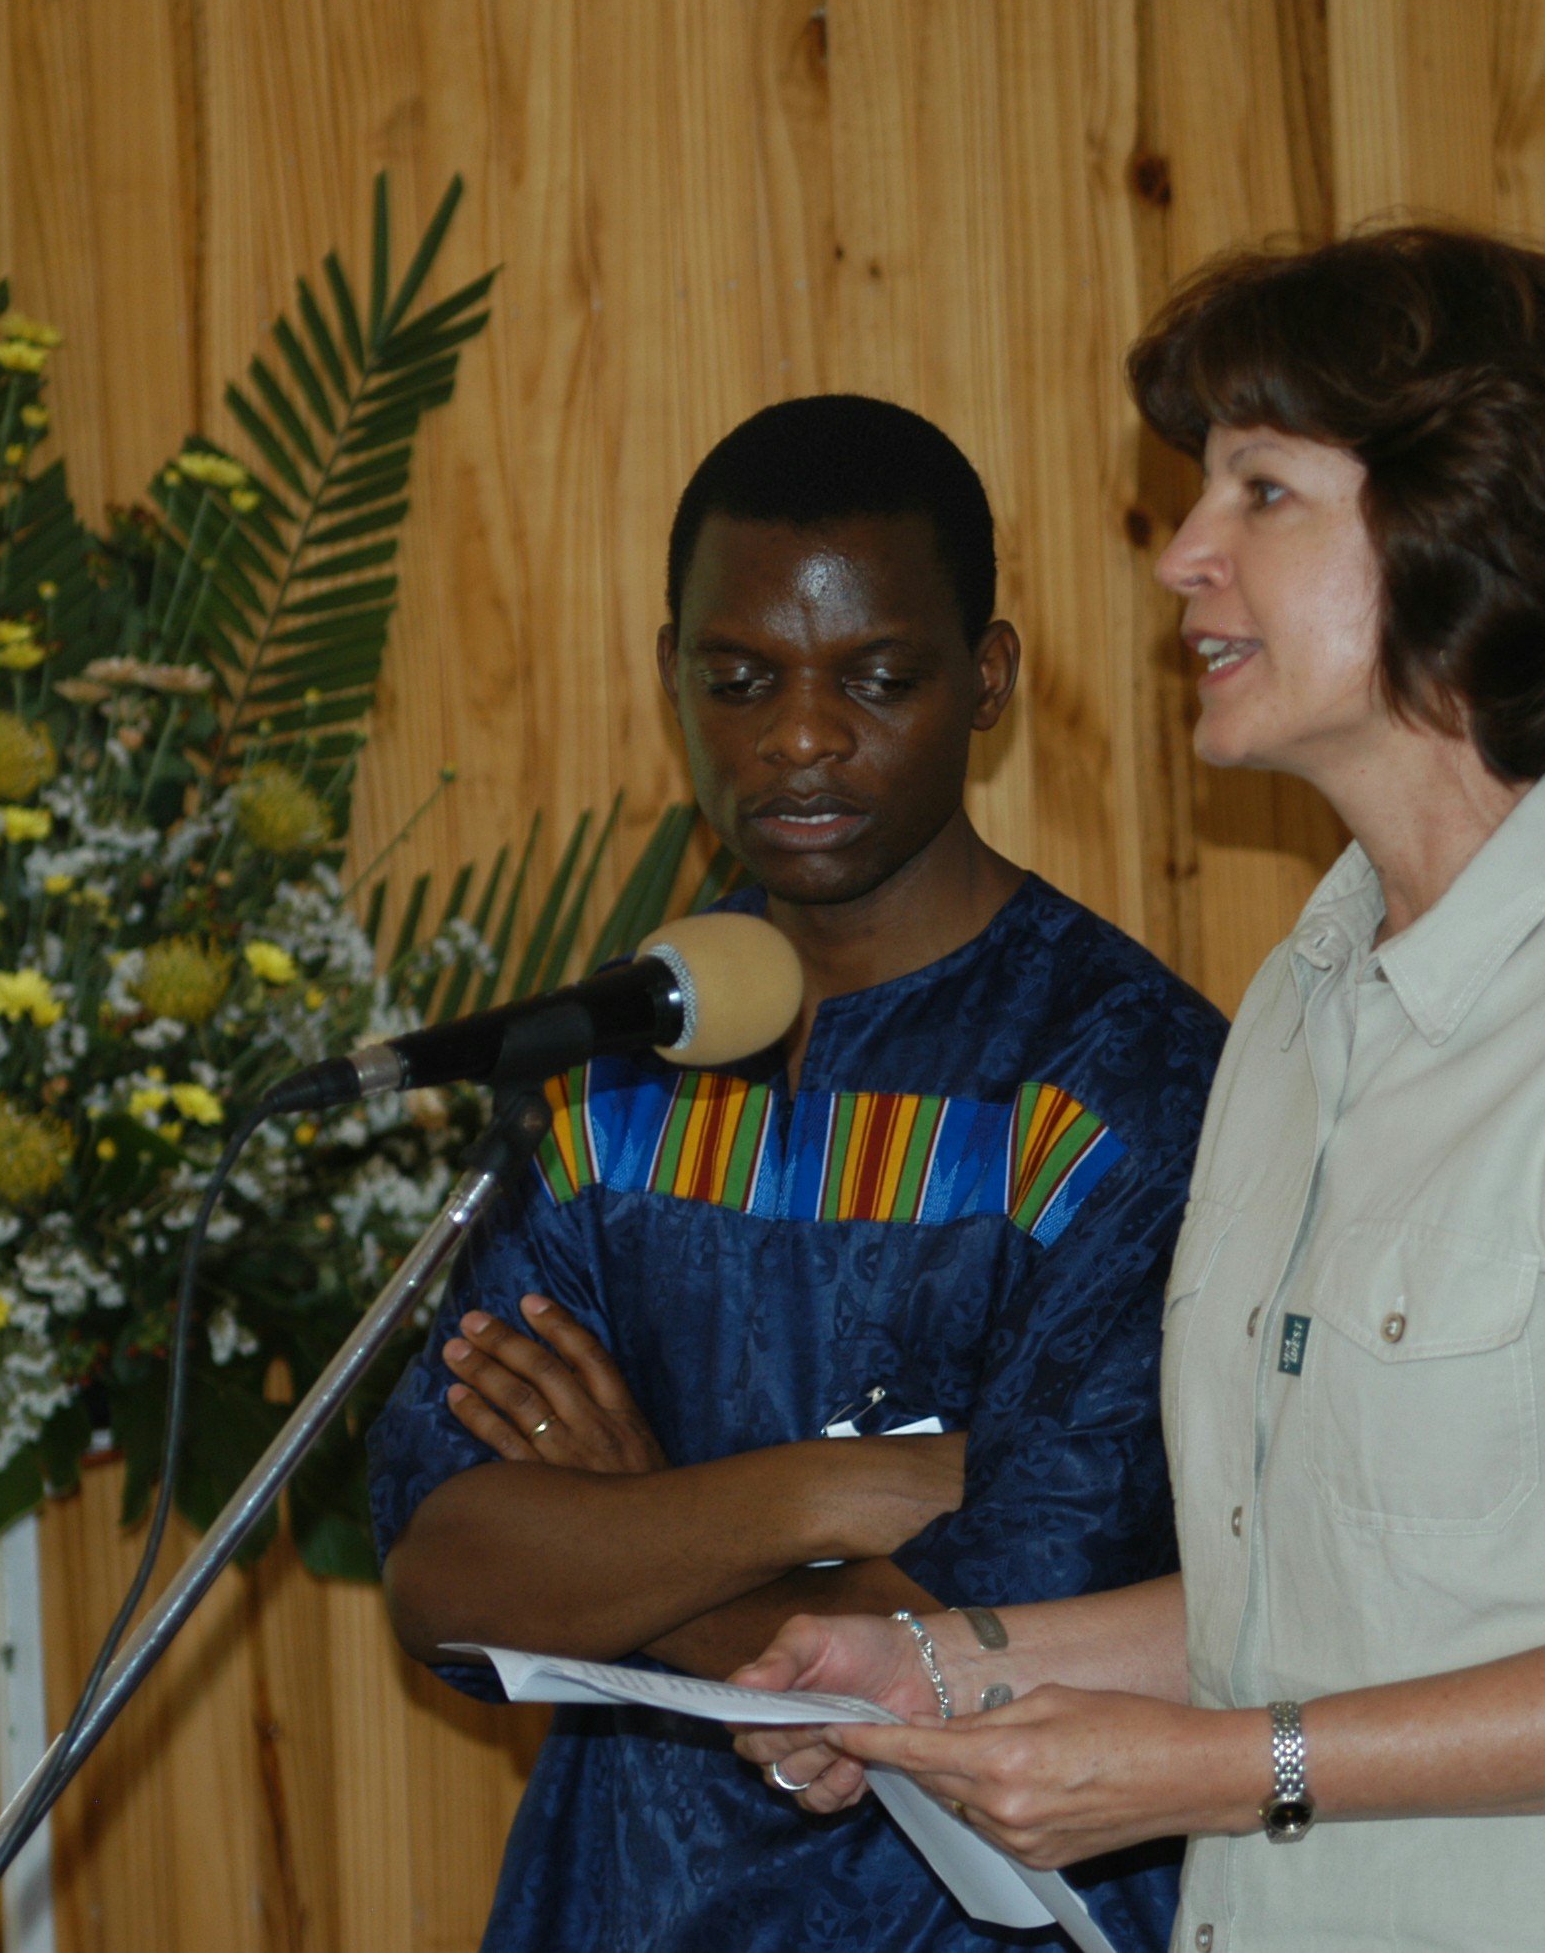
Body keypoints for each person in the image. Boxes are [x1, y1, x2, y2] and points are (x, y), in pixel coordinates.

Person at [735, 231, 1545, 1952]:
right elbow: (1307, 1606)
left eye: (1262, 492)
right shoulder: (1300, 1000)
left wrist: (1229, 1770)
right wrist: (936, 1658)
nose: (1182, 556)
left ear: (1464, 537)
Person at [367, 394, 1225, 1952]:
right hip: (617, 1899)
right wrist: (814, 1491)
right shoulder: (619, 1063)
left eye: (877, 677)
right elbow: (448, 1570)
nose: (802, 736)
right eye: (740, 679)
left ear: (986, 678)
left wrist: (631, 1527)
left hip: (982, 1915)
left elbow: (990, 1648)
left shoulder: (1122, 1083)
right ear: (670, 679)